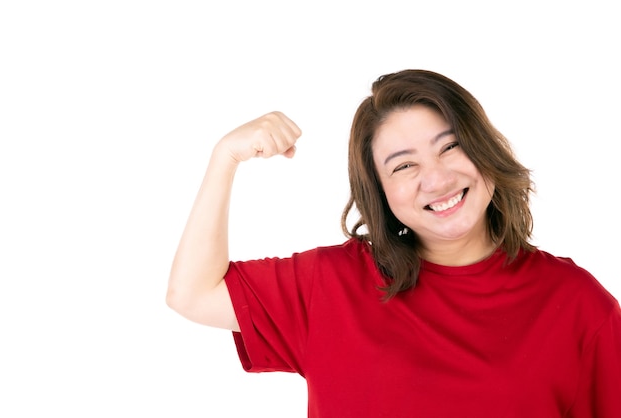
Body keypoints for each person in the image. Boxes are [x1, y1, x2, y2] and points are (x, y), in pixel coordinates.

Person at [166, 69, 621, 417]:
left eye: (450, 146)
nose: (437, 179)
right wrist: (225, 157)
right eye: (403, 166)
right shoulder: (330, 285)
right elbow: (192, 293)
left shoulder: (577, 304)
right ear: (379, 192)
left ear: (485, 149)